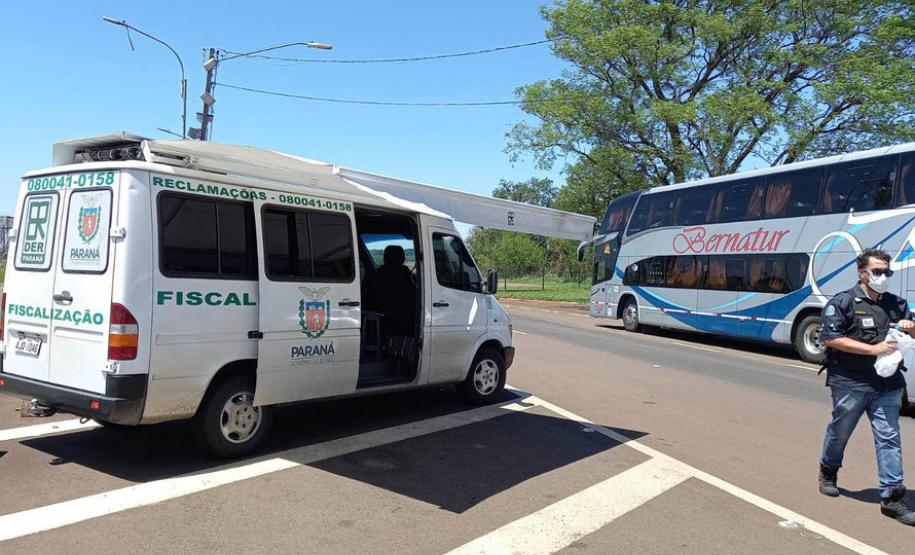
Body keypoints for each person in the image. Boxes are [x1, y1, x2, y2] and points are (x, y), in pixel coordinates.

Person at [818, 248, 915, 525]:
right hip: (851, 381)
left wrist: (910, 327)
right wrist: (874, 350)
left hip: (888, 383)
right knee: (840, 431)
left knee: (889, 437)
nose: (883, 276)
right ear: (862, 273)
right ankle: (828, 470)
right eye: (877, 271)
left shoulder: (897, 304)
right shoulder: (843, 302)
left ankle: (892, 497)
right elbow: (830, 338)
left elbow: (912, 334)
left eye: (887, 272)